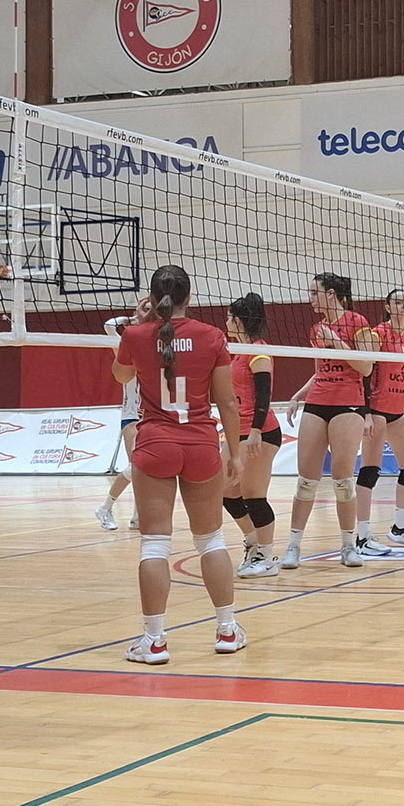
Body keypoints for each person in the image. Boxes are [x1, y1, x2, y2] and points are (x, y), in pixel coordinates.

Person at [110, 266, 245, 664]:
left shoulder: (135, 335)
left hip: (155, 444)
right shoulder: (212, 336)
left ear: (153, 298)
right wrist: (235, 454)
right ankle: (226, 630)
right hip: (201, 444)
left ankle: (154, 641)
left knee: (155, 543)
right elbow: (228, 402)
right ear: (190, 297)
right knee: (211, 540)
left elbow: (121, 376)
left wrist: (140, 325)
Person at [282, 272, 376, 570]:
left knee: (342, 481)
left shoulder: (357, 322)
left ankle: (348, 546)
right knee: (306, 480)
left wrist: (335, 341)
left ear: (331, 293)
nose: (310, 298)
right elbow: (320, 370)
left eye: (315, 292)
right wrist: (298, 394)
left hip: (348, 403)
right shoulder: (316, 329)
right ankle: (293, 546)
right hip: (318, 401)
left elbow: (366, 367)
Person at [355, 288, 404, 555]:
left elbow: (397, 373)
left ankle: (400, 528)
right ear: (387, 307)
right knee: (369, 472)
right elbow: (365, 372)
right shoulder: (378, 334)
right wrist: (365, 412)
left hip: (396, 410)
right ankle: (362, 537)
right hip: (376, 410)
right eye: (398, 302)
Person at [223, 293, 282, 579]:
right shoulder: (238, 351)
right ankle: (253, 541)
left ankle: (267, 558)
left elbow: (264, 393)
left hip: (260, 432)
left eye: (228, 318)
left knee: (254, 496)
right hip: (237, 431)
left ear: (238, 320)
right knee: (227, 492)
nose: (225, 322)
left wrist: (256, 430)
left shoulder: (259, 350)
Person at [96, 375, 139, 532]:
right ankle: (105, 508)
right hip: (132, 416)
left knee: (146, 472)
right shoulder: (131, 361)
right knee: (135, 468)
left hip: (155, 416)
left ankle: (137, 518)